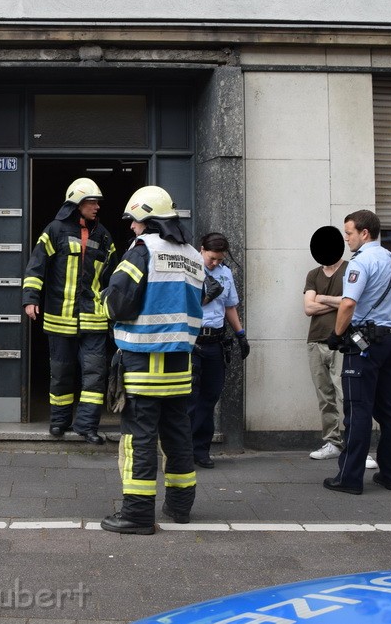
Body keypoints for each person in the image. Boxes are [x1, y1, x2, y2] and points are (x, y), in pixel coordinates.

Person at [99, 185, 203, 534]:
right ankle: (180, 506)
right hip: (180, 366)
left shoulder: (143, 252)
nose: (131, 227)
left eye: (135, 220)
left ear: (149, 219)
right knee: (177, 436)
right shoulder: (193, 255)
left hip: (144, 363)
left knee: (138, 439)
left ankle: (138, 514)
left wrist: (102, 298)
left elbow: (118, 303)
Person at [22, 178, 115, 445]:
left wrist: (113, 309)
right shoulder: (55, 230)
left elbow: (113, 279)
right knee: (61, 373)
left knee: (94, 374)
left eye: (98, 202)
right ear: (76, 204)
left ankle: (87, 426)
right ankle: (59, 422)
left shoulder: (104, 236)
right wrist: (30, 299)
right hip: (60, 317)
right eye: (91, 202)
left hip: (94, 318)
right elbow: (36, 266)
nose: (97, 206)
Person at [323, 209, 391, 495]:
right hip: (390, 341)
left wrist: (336, 335)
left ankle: (349, 478)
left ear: (364, 233)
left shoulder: (361, 262)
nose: (346, 239)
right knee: (388, 412)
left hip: (364, 344)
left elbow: (348, 304)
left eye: (349, 233)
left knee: (358, 410)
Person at [304, 226, 380, 471]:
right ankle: (332, 443)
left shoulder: (351, 268)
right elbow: (308, 308)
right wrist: (338, 301)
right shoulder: (313, 274)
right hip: (316, 341)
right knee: (324, 397)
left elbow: (353, 303)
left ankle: (357, 448)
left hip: (345, 342)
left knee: (348, 396)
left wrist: (322, 299)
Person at [189, 232, 249, 469]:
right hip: (192, 341)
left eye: (220, 259)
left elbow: (229, 306)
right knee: (189, 400)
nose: (216, 263)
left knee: (210, 396)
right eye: (212, 258)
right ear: (201, 249)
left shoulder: (225, 273)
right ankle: (183, 450)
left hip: (215, 341)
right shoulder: (190, 268)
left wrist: (241, 335)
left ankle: (200, 449)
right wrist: (204, 295)